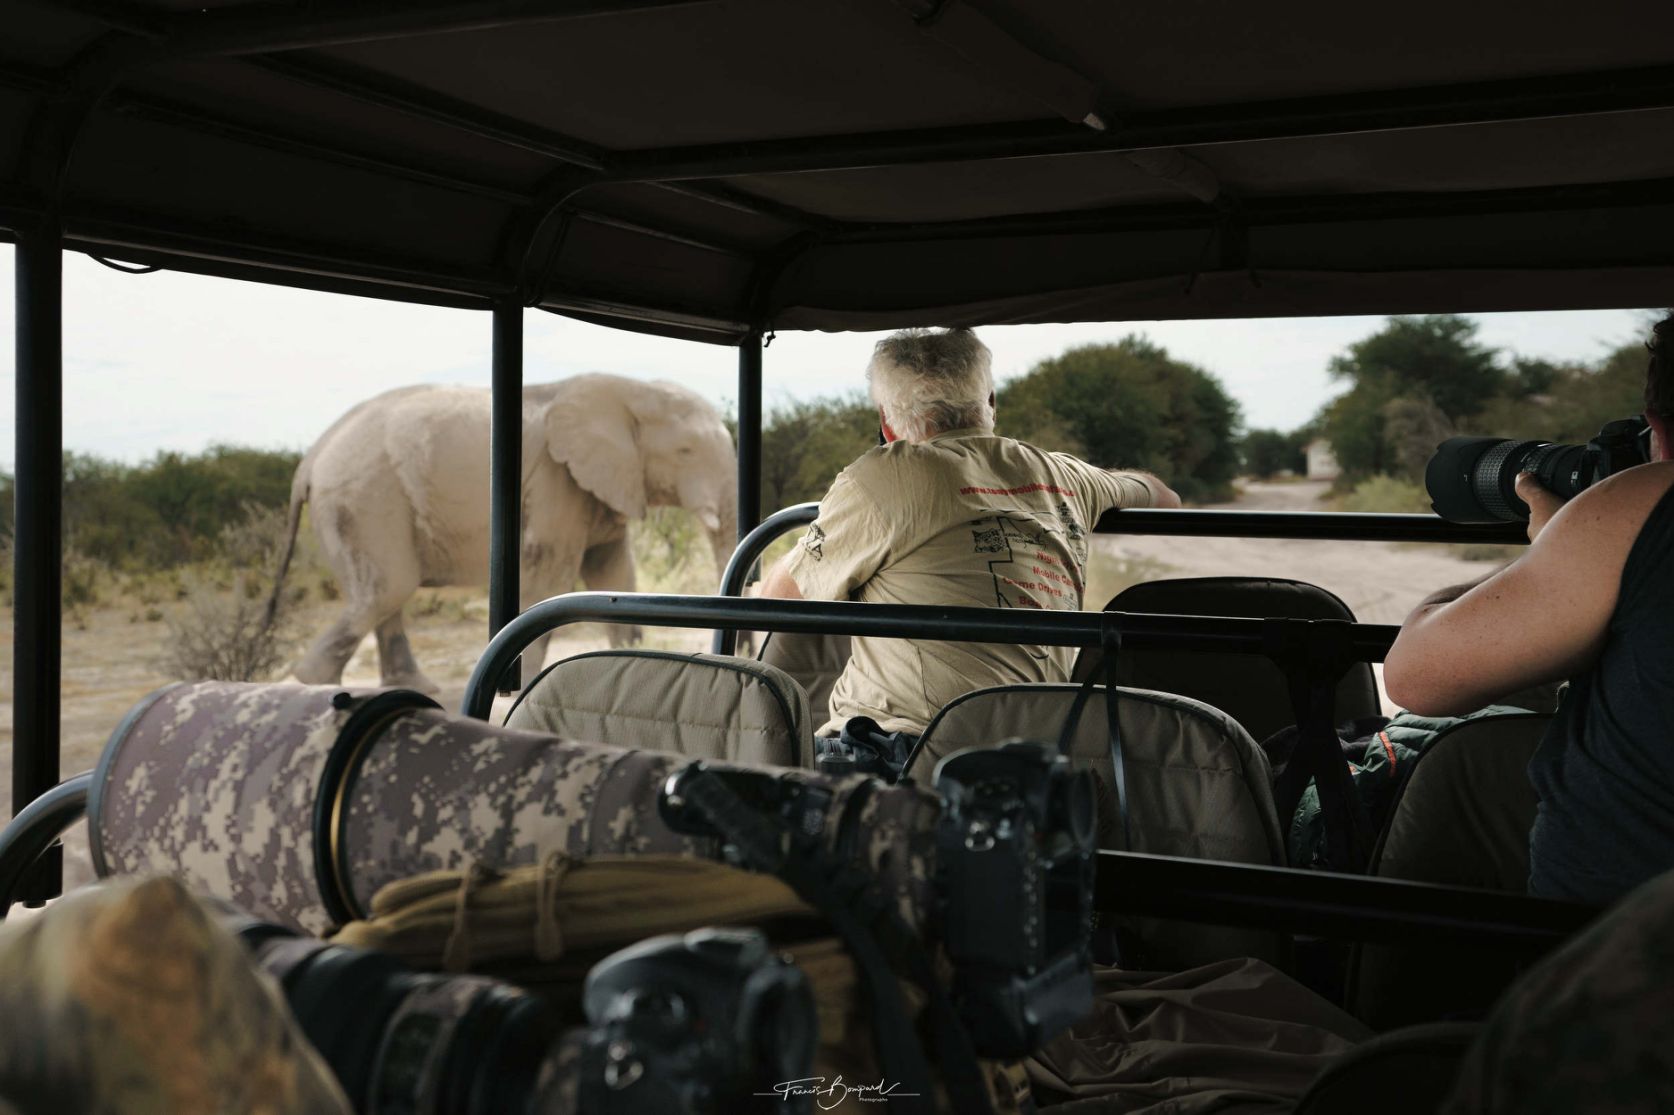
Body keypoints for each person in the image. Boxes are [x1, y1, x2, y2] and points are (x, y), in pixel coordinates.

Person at [760, 327, 1179, 739]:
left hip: (907, 746)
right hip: (1046, 740)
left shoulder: (882, 477)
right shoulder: (1064, 474)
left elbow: (778, 600)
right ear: (990, 404)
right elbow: (1164, 497)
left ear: (886, 422)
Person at [1384, 311, 1674, 906]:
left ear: (1659, 429)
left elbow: (1415, 678)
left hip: (1621, 939)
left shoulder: (1650, 499)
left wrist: (1558, 546)